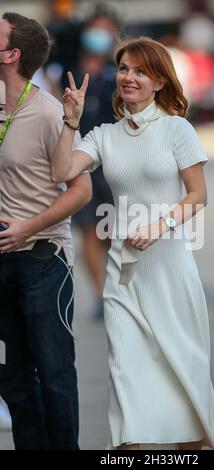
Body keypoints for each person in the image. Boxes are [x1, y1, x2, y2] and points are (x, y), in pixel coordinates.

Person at [52, 37, 214, 450]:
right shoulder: (104, 135)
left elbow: (197, 196)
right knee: (125, 373)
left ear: (160, 82)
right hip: (123, 274)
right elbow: (61, 169)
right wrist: (70, 122)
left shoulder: (177, 129)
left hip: (169, 269)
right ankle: (128, 451)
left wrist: (159, 225)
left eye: (141, 71)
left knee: (179, 373)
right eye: (125, 69)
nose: (129, 77)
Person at [0, 12, 92, 449]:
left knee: (54, 375)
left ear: (11, 54)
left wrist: (28, 228)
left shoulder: (50, 112)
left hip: (42, 259)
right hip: (1, 261)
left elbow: (81, 189)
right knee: (14, 380)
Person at [65, 6, 119, 319]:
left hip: (113, 166)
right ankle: (101, 296)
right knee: (88, 232)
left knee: (113, 232)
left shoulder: (120, 71)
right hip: (81, 165)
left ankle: (118, 290)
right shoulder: (68, 70)